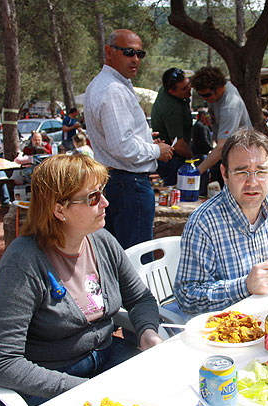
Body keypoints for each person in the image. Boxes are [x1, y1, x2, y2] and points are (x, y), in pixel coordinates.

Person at [0, 154, 163, 406]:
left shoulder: (101, 240)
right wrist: (79, 389)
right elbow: (2, 363)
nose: (105, 202)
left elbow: (140, 299)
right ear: (59, 210)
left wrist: (147, 333)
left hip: (105, 356)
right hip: (46, 379)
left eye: (102, 192)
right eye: (93, 197)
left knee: (162, 399)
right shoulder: (23, 262)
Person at [174, 129, 268, 315]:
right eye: (242, 172)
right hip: (230, 330)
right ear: (225, 173)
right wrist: (244, 286)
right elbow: (187, 296)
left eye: (261, 172)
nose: (252, 182)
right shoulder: (203, 223)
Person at [84, 29, 173, 252]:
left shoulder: (109, 84)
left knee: (120, 259)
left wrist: (145, 139)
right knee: (136, 260)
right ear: (109, 52)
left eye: (139, 54)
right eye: (128, 52)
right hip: (128, 184)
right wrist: (157, 151)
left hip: (117, 181)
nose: (135, 59)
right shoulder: (113, 89)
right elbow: (122, 146)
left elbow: (117, 139)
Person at [191, 66, 252, 175]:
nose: (205, 99)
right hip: (229, 155)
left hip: (242, 157)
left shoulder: (230, 107)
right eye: (201, 96)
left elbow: (222, 146)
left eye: (207, 95)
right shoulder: (220, 93)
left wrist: (197, 171)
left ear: (219, 87)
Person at [151, 67, 194, 186]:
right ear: (172, 92)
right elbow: (179, 145)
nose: (189, 89)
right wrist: (193, 159)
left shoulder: (168, 90)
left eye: (188, 84)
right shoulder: (172, 109)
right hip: (172, 158)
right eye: (184, 88)